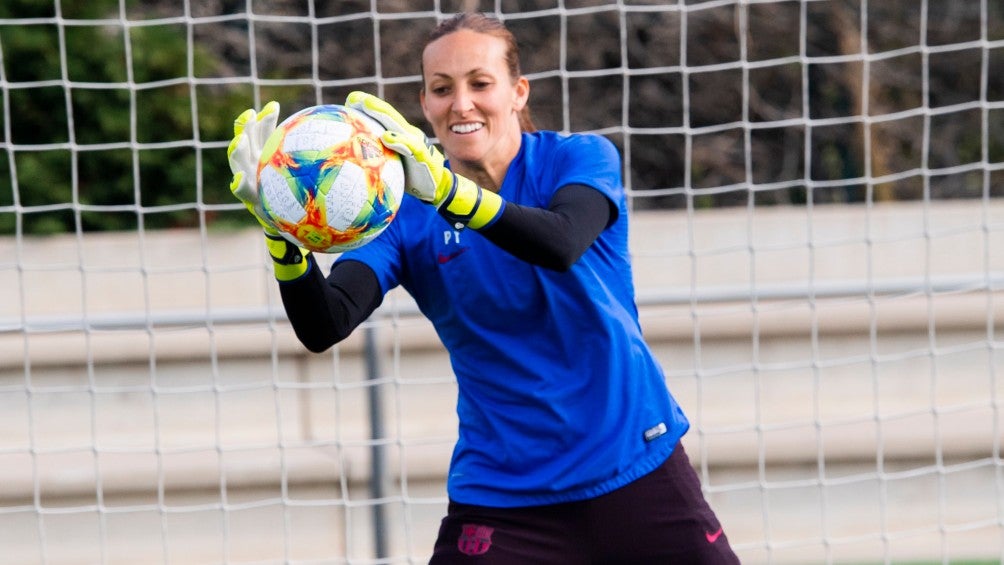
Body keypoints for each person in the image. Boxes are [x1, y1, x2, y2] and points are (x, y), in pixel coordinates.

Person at [228, 12, 740, 564]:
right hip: (503, 494)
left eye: (480, 83)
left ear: (518, 92)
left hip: (632, 464)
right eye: (442, 89)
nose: (461, 103)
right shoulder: (403, 215)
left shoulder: (579, 158)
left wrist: (450, 191)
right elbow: (324, 323)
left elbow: (560, 242)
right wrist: (281, 232)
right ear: (424, 104)